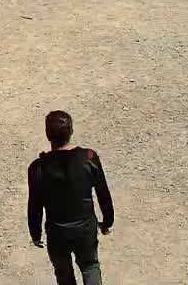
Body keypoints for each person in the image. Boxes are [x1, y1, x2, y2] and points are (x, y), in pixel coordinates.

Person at [27, 110, 113, 285]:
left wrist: (35, 233)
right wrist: (107, 222)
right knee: (90, 267)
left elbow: (34, 206)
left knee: (64, 275)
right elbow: (103, 193)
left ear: (47, 134)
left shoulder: (38, 167)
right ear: (71, 131)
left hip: (57, 232)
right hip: (85, 228)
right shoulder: (89, 157)